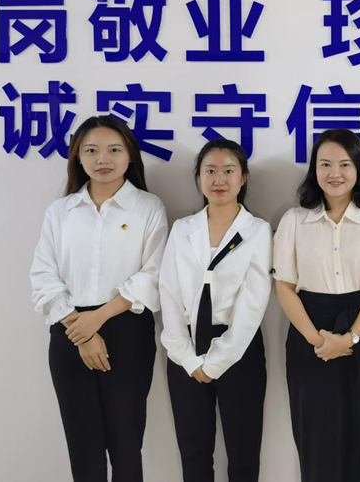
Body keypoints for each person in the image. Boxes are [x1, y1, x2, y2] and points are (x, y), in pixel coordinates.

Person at [30, 115, 168, 482]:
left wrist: (98, 319)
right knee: (83, 446)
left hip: (127, 330)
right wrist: (83, 331)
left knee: (126, 445)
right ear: (78, 157)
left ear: (130, 155)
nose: (102, 159)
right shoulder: (60, 211)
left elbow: (153, 275)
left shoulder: (148, 207)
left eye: (114, 150)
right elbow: (43, 276)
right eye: (91, 150)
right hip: (70, 331)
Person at [274, 129, 360, 482]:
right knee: (316, 437)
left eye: (345, 164)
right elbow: (284, 287)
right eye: (325, 164)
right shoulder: (294, 220)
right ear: (314, 169)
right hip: (309, 333)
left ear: (359, 168)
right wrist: (318, 340)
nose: (334, 173)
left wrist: (349, 339)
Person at [159, 138, 272, 482]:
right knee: (194, 455)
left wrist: (217, 361)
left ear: (243, 177)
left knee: (243, 455)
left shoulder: (257, 230)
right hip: (185, 350)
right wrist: (188, 358)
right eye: (210, 170)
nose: (218, 179)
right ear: (199, 177)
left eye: (228, 170)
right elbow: (169, 292)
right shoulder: (183, 229)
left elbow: (254, 301)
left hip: (239, 350)